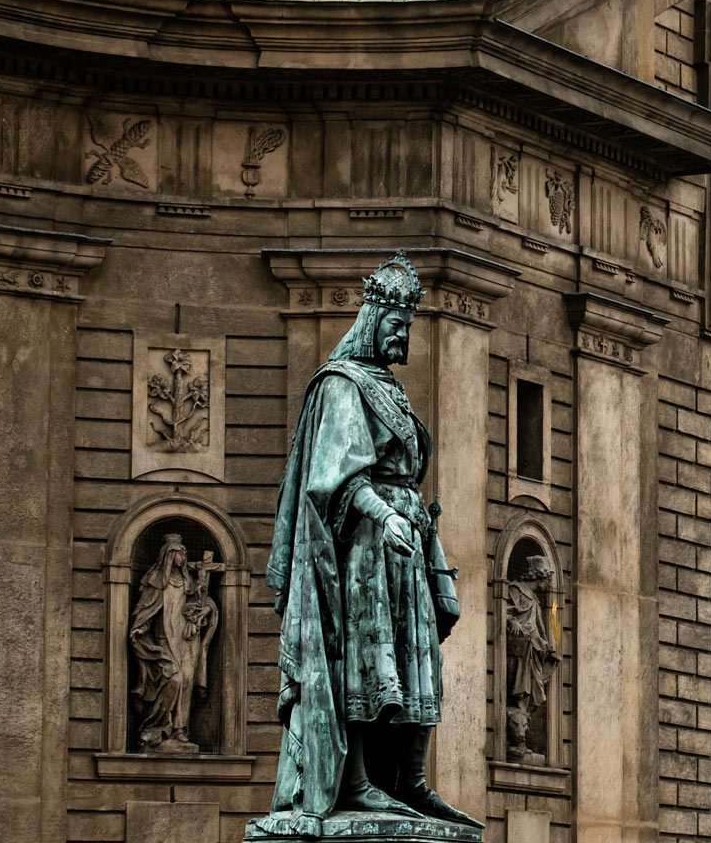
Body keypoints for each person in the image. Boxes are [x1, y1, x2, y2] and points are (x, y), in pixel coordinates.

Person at [262, 253, 479, 829]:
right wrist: (383, 516)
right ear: (373, 318)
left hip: (406, 546)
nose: (402, 335)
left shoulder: (388, 387)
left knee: (417, 654)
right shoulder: (342, 384)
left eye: (408, 326)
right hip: (364, 548)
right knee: (363, 657)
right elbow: (333, 474)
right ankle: (355, 783)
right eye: (396, 324)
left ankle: (411, 781)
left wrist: (413, 525)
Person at [130, 533, 219, 753]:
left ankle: (180, 730)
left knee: (187, 682)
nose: (183, 557)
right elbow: (145, 609)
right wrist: (141, 627)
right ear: (169, 555)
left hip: (186, 641)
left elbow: (206, 602)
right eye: (179, 553)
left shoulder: (189, 582)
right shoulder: (156, 581)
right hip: (164, 641)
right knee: (174, 680)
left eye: (184, 553)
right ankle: (157, 725)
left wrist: (203, 610)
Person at [501, 553, 560, 761]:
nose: (548, 584)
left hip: (533, 650)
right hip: (518, 652)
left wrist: (545, 646)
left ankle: (521, 740)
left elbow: (536, 628)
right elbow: (504, 611)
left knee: (534, 691)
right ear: (539, 575)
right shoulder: (515, 590)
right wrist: (512, 621)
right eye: (547, 579)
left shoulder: (534, 599)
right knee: (520, 690)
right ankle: (514, 741)